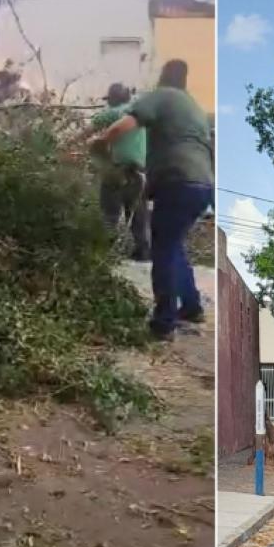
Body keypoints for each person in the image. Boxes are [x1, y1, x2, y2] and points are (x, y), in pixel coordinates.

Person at [93, 60, 212, 340]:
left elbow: (126, 124)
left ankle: (163, 322)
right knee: (174, 246)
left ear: (163, 76)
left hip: (177, 181)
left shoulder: (162, 95)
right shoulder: (194, 107)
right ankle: (192, 306)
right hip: (202, 184)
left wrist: (101, 142)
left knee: (163, 249)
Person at [85, 82, 150, 261]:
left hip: (119, 170)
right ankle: (143, 251)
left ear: (112, 99)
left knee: (109, 211)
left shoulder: (116, 111)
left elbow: (91, 127)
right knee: (137, 212)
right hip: (139, 172)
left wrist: (77, 143)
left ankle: (104, 250)